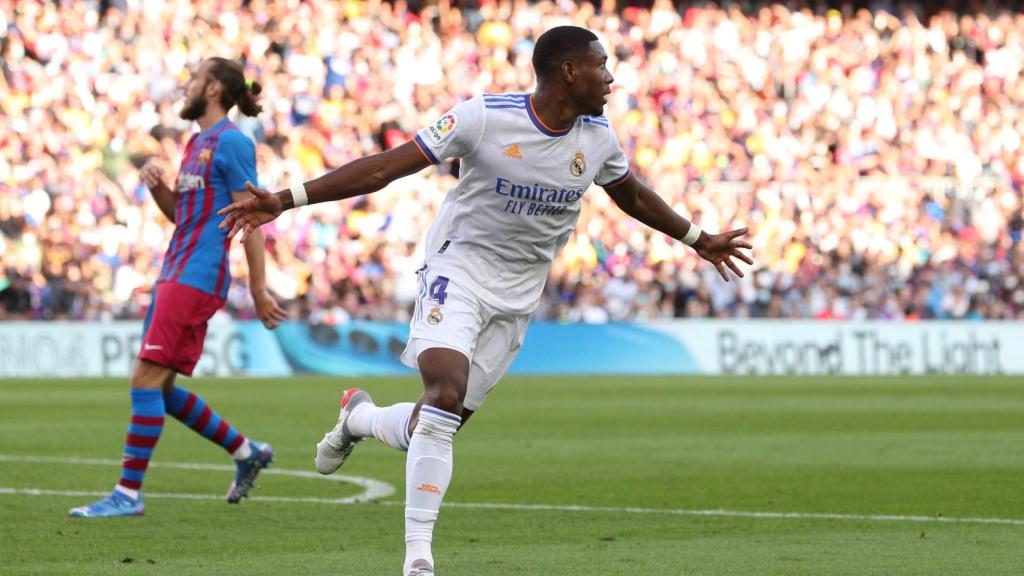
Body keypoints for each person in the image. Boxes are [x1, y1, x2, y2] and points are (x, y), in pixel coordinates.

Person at [219, 27, 751, 575]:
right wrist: (286, 199)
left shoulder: (597, 138)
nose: (611, 76)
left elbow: (632, 195)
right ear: (569, 71)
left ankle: (361, 418)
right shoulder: (483, 118)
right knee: (444, 392)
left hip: (518, 296)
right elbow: (384, 167)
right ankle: (418, 559)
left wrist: (697, 239)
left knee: (435, 422)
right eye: (601, 64)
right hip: (458, 270)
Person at [69, 57, 287, 518]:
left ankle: (128, 494)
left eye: (193, 78)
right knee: (159, 388)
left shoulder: (232, 143)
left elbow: (250, 218)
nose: (185, 85)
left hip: (198, 275)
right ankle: (247, 452)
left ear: (212, 89)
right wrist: (157, 187)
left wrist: (260, 288)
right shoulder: (195, 143)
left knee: (144, 380)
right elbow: (182, 216)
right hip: (175, 269)